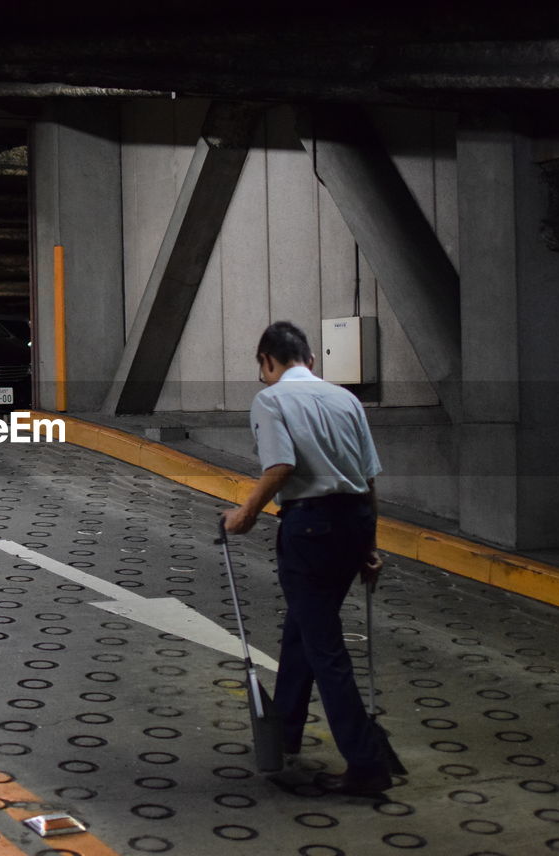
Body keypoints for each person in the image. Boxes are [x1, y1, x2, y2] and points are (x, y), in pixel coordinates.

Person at [221, 320, 392, 795]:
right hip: (354, 520)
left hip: (311, 527)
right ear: (311, 361)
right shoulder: (346, 399)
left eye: (263, 368)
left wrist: (245, 514)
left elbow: (281, 466)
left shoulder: (271, 399)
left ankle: (366, 763)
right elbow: (369, 477)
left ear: (267, 362)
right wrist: (370, 548)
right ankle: (285, 735)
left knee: (324, 648)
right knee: (302, 633)